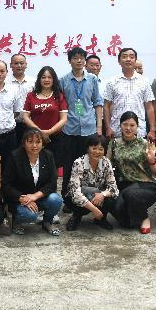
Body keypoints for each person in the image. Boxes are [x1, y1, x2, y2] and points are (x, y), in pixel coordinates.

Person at [59, 46, 103, 200]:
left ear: (85, 60)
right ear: (69, 61)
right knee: (69, 165)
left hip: (89, 128)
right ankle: (68, 199)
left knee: (88, 165)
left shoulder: (92, 79)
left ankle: (86, 198)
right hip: (69, 129)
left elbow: (98, 103)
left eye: (81, 58)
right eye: (75, 58)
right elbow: (60, 105)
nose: (79, 61)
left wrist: (99, 127)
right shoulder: (63, 80)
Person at [3, 128, 62, 236]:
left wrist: (35, 196)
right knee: (31, 216)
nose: (34, 145)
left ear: (42, 143)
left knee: (56, 199)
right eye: (30, 142)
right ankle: (16, 222)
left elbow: (52, 182)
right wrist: (21, 198)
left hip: (39, 197)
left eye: (38, 142)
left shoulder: (48, 155)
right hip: (20, 199)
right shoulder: (15, 157)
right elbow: (6, 184)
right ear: (24, 143)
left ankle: (47, 222)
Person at [109, 111, 156, 233]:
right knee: (124, 221)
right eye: (125, 124)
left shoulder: (145, 144)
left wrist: (152, 161)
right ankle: (133, 215)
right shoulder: (114, 143)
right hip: (124, 184)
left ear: (137, 127)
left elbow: (155, 173)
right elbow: (108, 166)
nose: (128, 128)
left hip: (145, 185)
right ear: (120, 125)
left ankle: (144, 217)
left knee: (131, 194)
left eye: (132, 125)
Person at [64, 134, 118, 231]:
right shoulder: (78, 163)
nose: (97, 152)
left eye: (101, 149)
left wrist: (102, 195)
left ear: (104, 151)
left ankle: (101, 219)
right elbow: (75, 192)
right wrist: (94, 209)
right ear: (88, 148)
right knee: (72, 198)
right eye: (94, 148)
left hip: (97, 195)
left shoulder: (106, 162)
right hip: (81, 195)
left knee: (111, 199)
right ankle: (76, 216)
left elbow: (114, 188)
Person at [103, 47, 155, 142]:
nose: (128, 59)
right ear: (119, 61)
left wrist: (152, 129)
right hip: (117, 131)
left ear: (135, 60)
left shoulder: (144, 81)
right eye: (124, 56)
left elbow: (149, 107)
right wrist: (108, 128)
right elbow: (106, 106)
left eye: (131, 57)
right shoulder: (112, 81)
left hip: (139, 131)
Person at [22, 66, 68, 172]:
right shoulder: (31, 95)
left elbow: (64, 119)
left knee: (53, 169)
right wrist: (40, 132)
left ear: (54, 79)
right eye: (43, 77)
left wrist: (48, 132)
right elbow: (25, 116)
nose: (46, 80)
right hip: (34, 139)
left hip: (54, 138)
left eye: (49, 77)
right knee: (33, 167)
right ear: (39, 79)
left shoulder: (59, 96)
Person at [9, 53, 31, 147]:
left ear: (26, 65)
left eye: (21, 63)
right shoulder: (5, 82)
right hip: (11, 125)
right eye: (16, 63)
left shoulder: (33, 82)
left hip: (30, 124)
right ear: (11, 65)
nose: (19, 66)